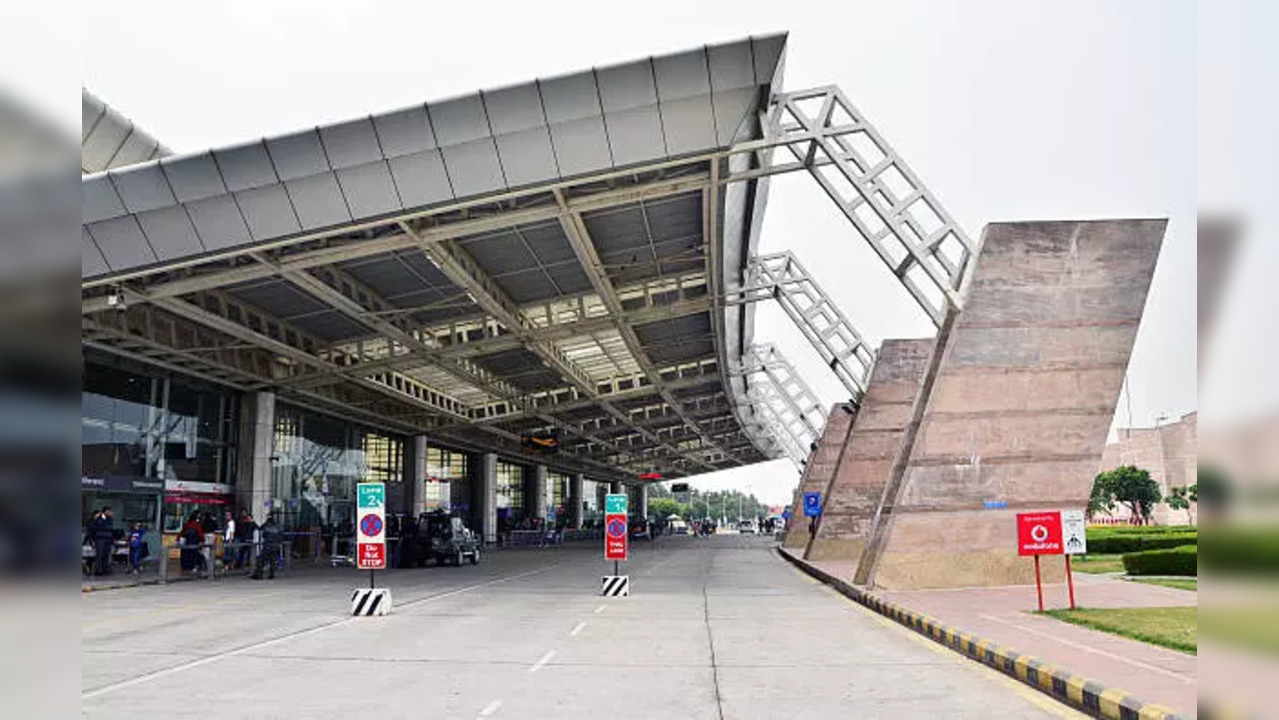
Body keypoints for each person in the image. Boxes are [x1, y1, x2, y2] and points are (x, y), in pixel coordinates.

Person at [252, 514, 282, 580]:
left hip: (268, 545)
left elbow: (261, 531)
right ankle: (271, 575)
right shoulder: (278, 526)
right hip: (275, 546)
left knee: (261, 560)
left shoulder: (266, 525)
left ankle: (259, 575)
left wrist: (253, 523)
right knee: (272, 561)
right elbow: (281, 536)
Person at [88, 508, 115, 576]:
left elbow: (110, 527)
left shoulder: (110, 519)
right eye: (108, 511)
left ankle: (105, 570)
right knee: (100, 554)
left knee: (106, 555)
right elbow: (97, 527)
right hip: (100, 538)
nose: (109, 513)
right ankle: (98, 570)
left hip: (108, 538)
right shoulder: (98, 519)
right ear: (104, 512)